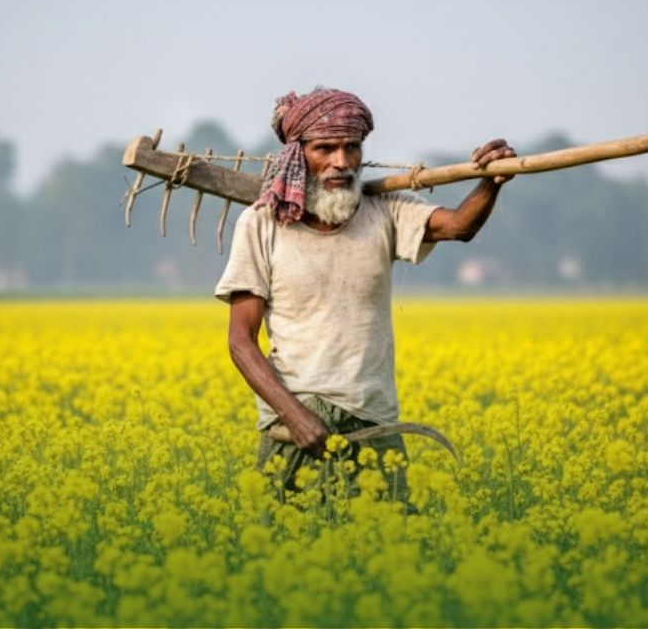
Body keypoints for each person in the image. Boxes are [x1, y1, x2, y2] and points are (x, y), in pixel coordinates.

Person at [214, 87, 513, 505]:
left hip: (374, 421)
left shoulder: (385, 210)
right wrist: (294, 415)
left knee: (389, 556)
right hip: (294, 427)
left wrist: (491, 182)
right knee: (287, 554)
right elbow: (240, 341)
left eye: (351, 147)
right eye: (325, 149)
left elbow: (459, 226)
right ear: (297, 155)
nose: (341, 162)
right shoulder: (261, 224)